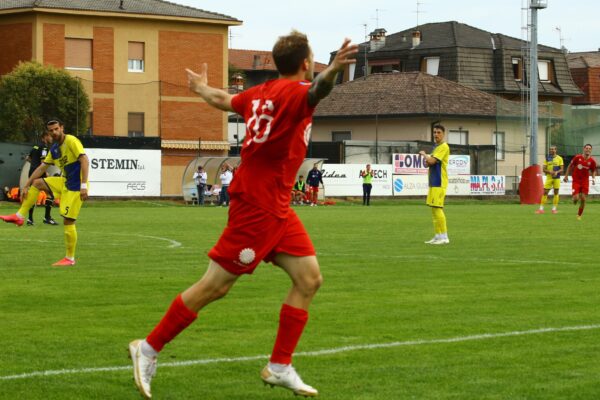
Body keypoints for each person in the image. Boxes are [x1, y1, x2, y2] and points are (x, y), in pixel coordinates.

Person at [127, 31, 358, 399]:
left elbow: (223, 98)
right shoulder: (297, 94)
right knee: (216, 285)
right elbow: (319, 91)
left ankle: (280, 366)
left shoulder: (260, 93)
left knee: (309, 279)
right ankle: (149, 348)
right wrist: (331, 70)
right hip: (258, 204)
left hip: (276, 204)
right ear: (304, 64)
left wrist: (201, 88)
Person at [1, 119, 89, 266]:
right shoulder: (54, 149)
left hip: (75, 187)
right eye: (51, 130)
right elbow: (42, 168)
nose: (54, 132)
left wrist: (84, 186)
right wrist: (26, 185)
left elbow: (84, 161)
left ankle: (70, 258)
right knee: (37, 183)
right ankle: (19, 216)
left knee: (68, 221)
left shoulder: (71, 140)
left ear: (62, 128)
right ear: (48, 133)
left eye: (56, 129)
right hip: (65, 182)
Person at [419, 124, 450, 245]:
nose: (436, 134)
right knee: (434, 209)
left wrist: (424, 155)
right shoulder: (436, 148)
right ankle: (438, 236)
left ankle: (444, 237)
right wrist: (427, 159)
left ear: (443, 134)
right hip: (433, 181)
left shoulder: (444, 147)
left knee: (438, 208)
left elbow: (431, 161)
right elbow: (428, 163)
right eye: (434, 132)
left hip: (439, 182)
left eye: (438, 132)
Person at [25, 130, 58, 225]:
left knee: (32, 195)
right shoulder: (44, 148)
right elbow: (43, 161)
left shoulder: (35, 146)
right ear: (45, 136)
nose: (51, 138)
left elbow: (28, 158)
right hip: (39, 173)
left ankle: (30, 219)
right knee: (50, 194)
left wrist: (34, 166)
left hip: (32, 172)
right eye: (50, 136)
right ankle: (47, 218)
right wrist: (49, 165)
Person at [563, 143, 597, 220]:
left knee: (583, 199)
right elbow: (570, 166)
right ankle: (574, 200)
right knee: (576, 198)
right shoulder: (577, 157)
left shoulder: (592, 161)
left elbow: (593, 170)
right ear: (584, 149)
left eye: (589, 148)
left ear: (591, 150)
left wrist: (594, 178)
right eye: (586, 148)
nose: (588, 149)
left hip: (585, 181)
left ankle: (579, 215)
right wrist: (566, 176)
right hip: (576, 181)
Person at [536, 145, 564, 214]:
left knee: (556, 192)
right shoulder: (547, 159)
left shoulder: (559, 158)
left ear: (556, 150)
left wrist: (556, 172)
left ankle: (554, 209)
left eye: (553, 149)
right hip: (549, 177)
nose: (551, 150)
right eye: (550, 149)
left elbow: (562, 169)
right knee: (545, 192)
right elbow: (544, 169)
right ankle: (541, 209)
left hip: (556, 178)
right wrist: (550, 172)